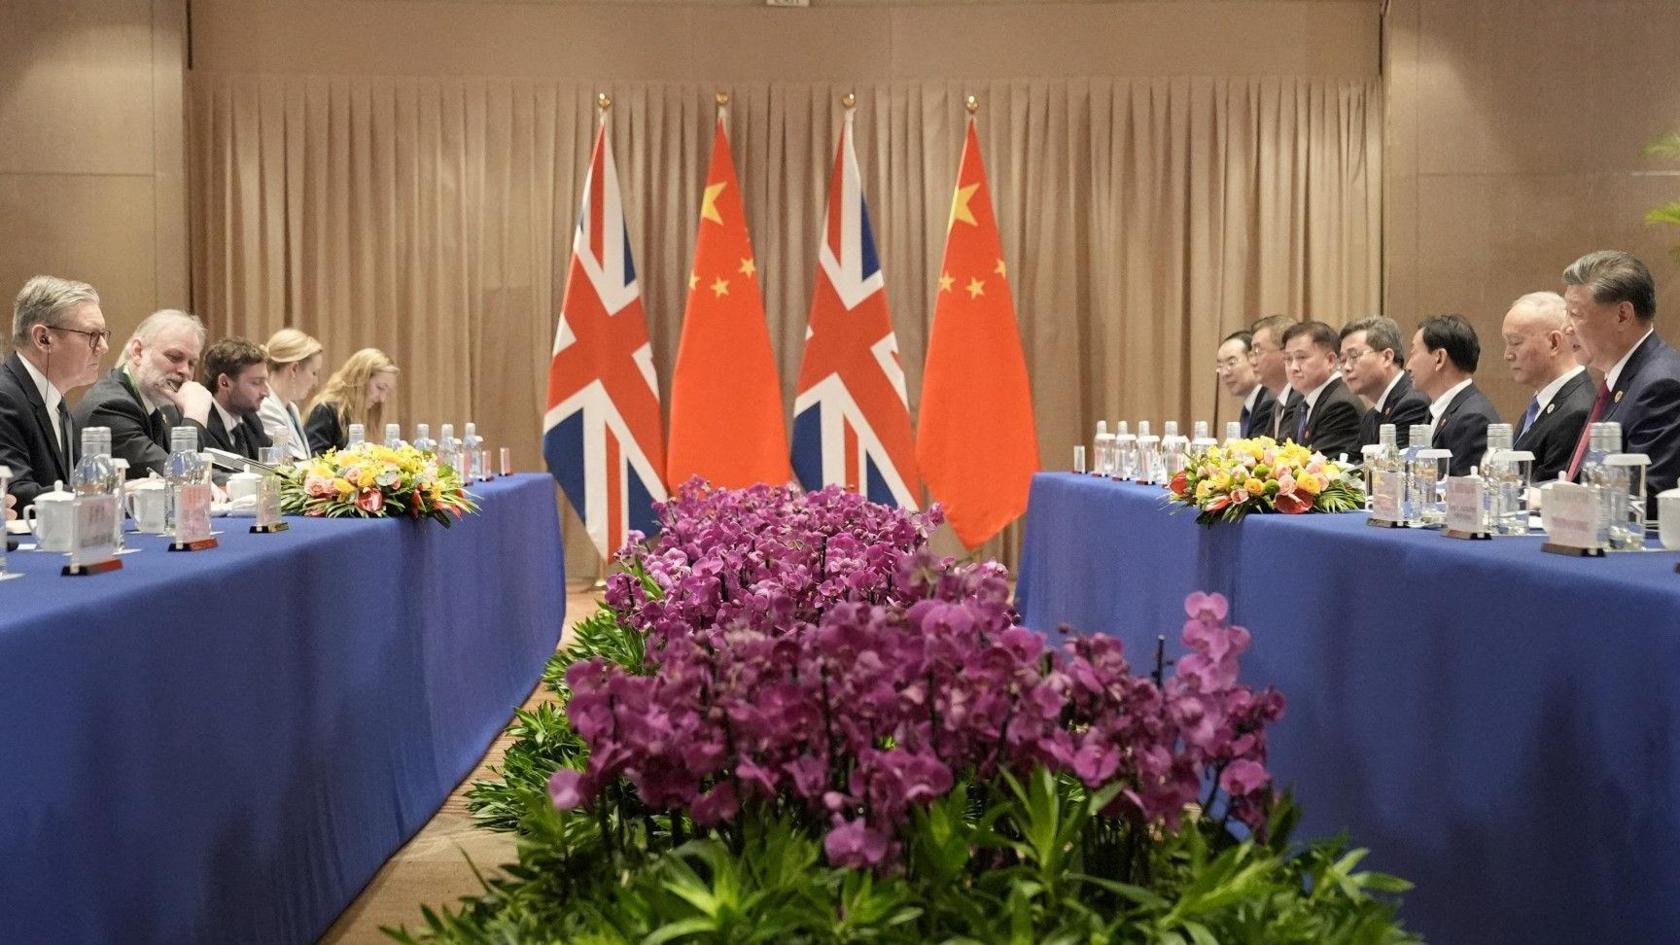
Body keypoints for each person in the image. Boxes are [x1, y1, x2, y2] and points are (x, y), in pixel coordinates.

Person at [1561, 250, 1680, 500]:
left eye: (1575, 314)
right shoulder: (1618, 381)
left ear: (1622, 315)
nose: (1565, 328)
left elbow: (1644, 494)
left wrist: (1556, 500)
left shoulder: (1660, 385)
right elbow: (1582, 481)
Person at [0, 275, 109, 507]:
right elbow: (13, 494)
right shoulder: (5, 398)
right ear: (43, 339)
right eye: (92, 335)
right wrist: (103, 491)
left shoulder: (56, 402)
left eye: (103, 335)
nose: (103, 347)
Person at [74, 309, 214, 478]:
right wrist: (195, 415)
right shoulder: (110, 408)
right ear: (138, 352)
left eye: (191, 363)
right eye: (175, 357)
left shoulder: (165, 405)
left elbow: (189, 468)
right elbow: (181, 477)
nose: (184, 371)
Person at [1501, 291, 1593, 484]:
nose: (1507, 355)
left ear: (1553, 343)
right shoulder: (1542, 403)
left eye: (1515, 342)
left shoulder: (1577, 411)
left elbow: (1550, 494)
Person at [1406, 314, 1501, 476]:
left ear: (1439, 358)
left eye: (1414, 353)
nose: (1408, 366)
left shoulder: (1472, 419)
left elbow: (1463, 494)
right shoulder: (1438, 410)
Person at [1340, 316, 1430, 449]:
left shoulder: (1412, 403)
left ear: (1387, 357)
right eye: (1342, 360)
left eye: (1354, 356)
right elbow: (1352, 460)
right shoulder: (1372, 415)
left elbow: (1395, 465)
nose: (1346, 367)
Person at [1280, 320, 1363, 461]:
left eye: (1301, 357)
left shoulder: (1341, 406)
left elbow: (1320, 466)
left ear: (1330, 360)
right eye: (1288, 359)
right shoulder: (1301, 403)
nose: (1293, 367)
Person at [304, 348, 398, 454]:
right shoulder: (325, 411)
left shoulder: (363, 414)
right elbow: (314, 461)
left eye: (387, 392)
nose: (382, 399)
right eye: (380, 387)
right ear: (360, 378)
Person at [201, 338, 273, 463]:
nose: (266, 392)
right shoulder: (202, 425)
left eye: (265, 382)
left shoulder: (252, 420)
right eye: (256, 382)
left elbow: (272, 468)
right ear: (224, 383)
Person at [257, 328, 323, 460]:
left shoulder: (291, 408)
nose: (316, 382)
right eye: (314, 373)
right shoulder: (264, 407)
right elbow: (292, 465)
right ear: (294, 369)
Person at [1248, 314, 1298, 439]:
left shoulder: (1302, 403)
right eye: (1252, 353)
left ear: (1285, 353)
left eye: (1258, 352)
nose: (1252, 362)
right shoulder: (1270, 406)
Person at [1216, 330, 1274, 438]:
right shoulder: (1252, 403)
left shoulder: (1269, 401)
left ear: (1253, 359)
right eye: (1220, 366)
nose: (1224, 373)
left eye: (1231, 363)